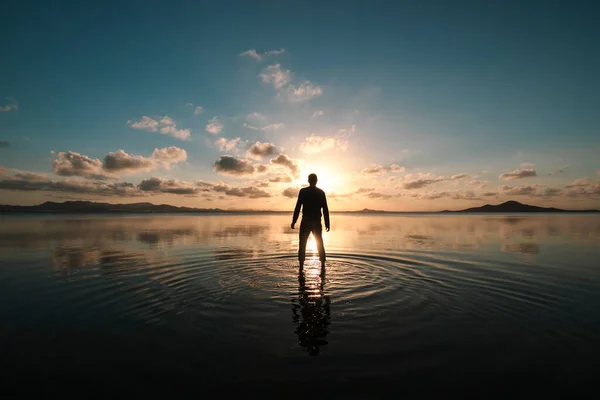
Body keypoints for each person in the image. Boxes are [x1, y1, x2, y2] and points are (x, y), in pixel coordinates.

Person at [291, 173, 330, 266]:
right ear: (316, 181)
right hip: (316, 222)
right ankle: (323, 266)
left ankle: (301, 267)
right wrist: (327, 223)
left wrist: (294, 221)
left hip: (306, 221)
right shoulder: (321, 192)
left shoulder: (303, 192)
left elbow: (298, 207)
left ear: (308, 180)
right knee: (319, 243)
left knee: (302, 244)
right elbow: (325, 209)